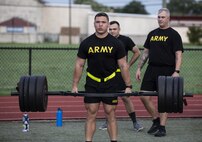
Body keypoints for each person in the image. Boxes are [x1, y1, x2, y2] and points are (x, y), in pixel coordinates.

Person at [72, 12, 132, 142]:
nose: (100, 25)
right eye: (98, 22)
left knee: (110, 113)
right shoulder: (86, 43)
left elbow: (123, 66)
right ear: (94, 24)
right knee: (91, 113)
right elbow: (79, 65)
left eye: (103, 22)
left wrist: (128, 86)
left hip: (110, 83)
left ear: (107, 24)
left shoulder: (116, 43)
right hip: (92, 83)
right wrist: (75, 85)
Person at [135, 8, 183, 137]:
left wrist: (176, 71)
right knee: (143, 95)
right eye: (159, 17)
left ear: (168, 18)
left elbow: (178, 54)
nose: (160, 19)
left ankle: (162, 127)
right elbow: (145, 53)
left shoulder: (174, 34)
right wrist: (139, 68)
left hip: (167, 69)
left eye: (163, 17)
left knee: (164, 100)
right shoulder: (152, 34)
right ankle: (156, 120)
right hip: (151, 69)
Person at [99, 20, 143, 132]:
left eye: (114, 29)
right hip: (108, 75)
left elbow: (137, 52)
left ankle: (135, 122)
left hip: (121, 74)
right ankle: (107, 121)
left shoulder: (125, 40)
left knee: (125, 97)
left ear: (119, 29)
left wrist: (128, 65)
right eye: (110, 29)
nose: (112, 31)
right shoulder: (104, 40)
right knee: (108, 98)